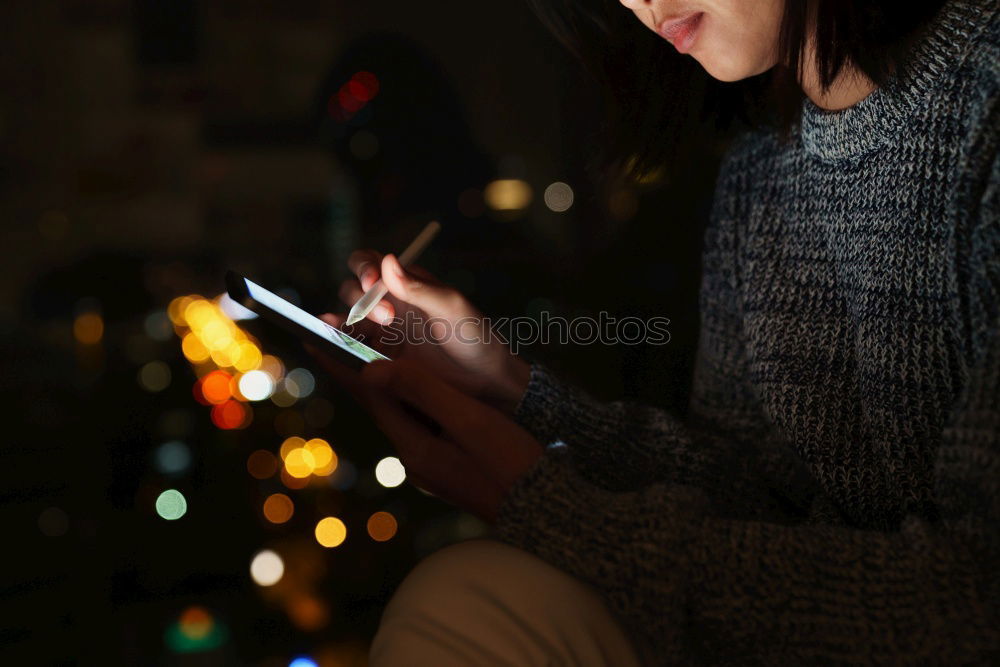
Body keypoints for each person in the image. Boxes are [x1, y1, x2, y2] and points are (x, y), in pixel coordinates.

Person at [316, 0, 999, 663]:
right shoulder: (760, 166)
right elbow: (756, 503)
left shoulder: (983, 95)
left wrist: (552, 510)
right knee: (461, 595)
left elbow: (975, 599)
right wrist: (509, 385)